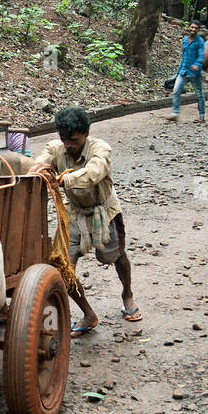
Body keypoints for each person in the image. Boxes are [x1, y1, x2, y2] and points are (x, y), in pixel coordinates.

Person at [30, 106, 141, 336]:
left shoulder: (101, 149)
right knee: (64, 269)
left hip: (104, 211)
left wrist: (62, 180)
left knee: (117, 256)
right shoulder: (56, 149)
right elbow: (39, 164)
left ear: (86, 133)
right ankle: (88, 314)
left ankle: (127, 293)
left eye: (73, 140)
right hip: (74, 213)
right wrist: (38, 170)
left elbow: (93, 174)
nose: (68, 144)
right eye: (64, 139)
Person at [166, 20, 206, 123]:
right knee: (176, 91)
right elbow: (184, 55)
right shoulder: (184, 40)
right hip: (183, 71)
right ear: (189, 27)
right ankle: (175, 113)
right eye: (192, 27)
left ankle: (201, 116)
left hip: (194, 74)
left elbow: (201, 55)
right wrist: (179, 70)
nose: (193, 30)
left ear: (198, 30)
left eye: (196, 28)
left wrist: (197, 65)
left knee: (199, 94)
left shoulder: (200, 41)